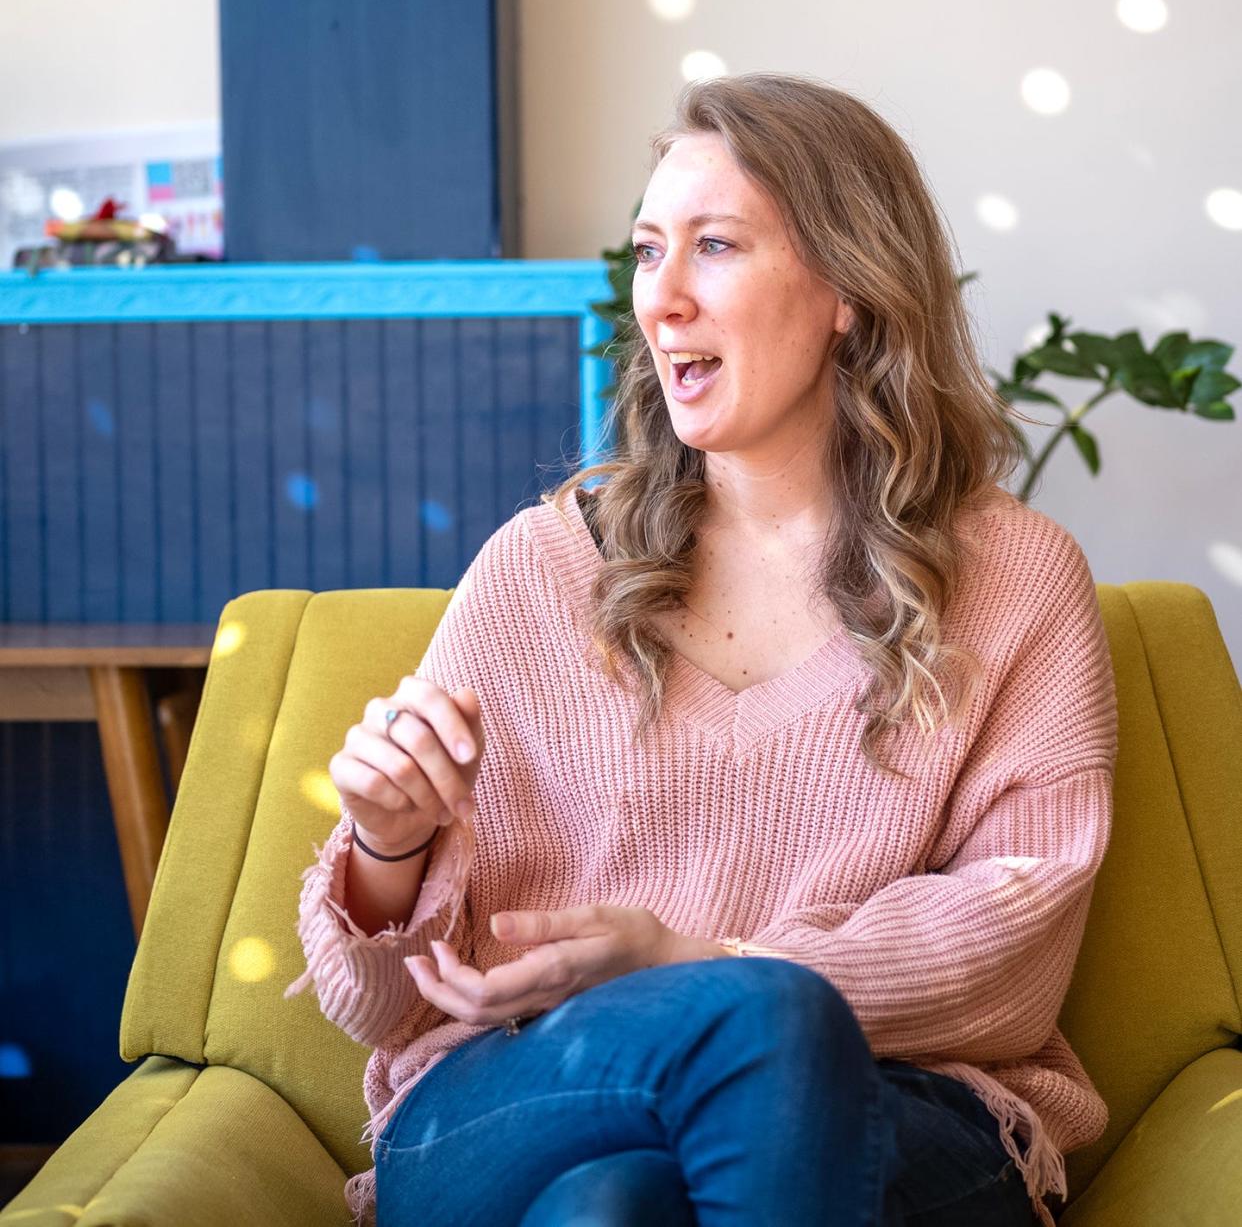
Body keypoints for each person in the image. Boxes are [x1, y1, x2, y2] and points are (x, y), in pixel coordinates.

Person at [285, 72, 1118, 1227]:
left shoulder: (1017, 581)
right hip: (531, 1092)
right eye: (646, 251)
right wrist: (386, 847)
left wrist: (696, 955)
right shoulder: (537, 572)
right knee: (735, 1040)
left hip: (897, 1109)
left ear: (850, 289)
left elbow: (1012, 950)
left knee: (632, 1189)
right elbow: (381, 1002)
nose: (660, 300)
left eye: (714, 246)